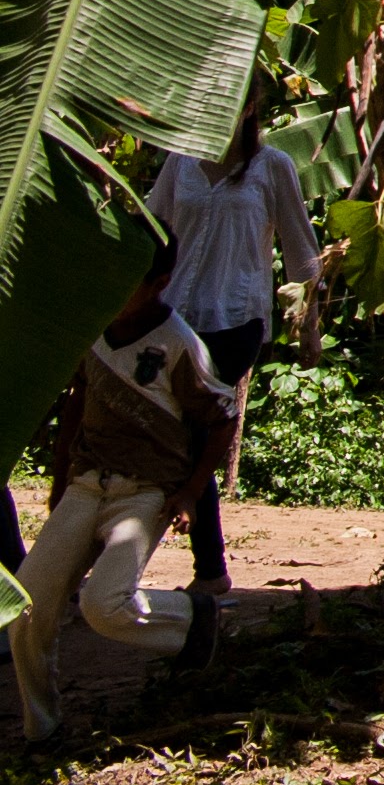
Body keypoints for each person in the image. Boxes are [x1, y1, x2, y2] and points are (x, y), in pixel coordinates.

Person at [15, 249, 237, 742]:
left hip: (144, 492)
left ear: (160, 282)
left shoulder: (179, 344)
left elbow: (222, 419)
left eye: (130, 284)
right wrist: (59, 484)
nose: (116, 293)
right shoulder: (93, 326)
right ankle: (41, 731)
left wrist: (190, 493)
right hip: (88, 482)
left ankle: (195, 618)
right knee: (29, 604)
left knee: (106, 605)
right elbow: (77, 401)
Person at [147, 74, 323, 665]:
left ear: (251, 106)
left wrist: (310, 322)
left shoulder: (272, 167)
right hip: (178, 316)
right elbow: (153, 231)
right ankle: (197, 565)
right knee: (174, 434)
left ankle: (211, 570)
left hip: (236, 318)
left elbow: (302, 251)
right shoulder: (179, 161)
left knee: (198, 432)